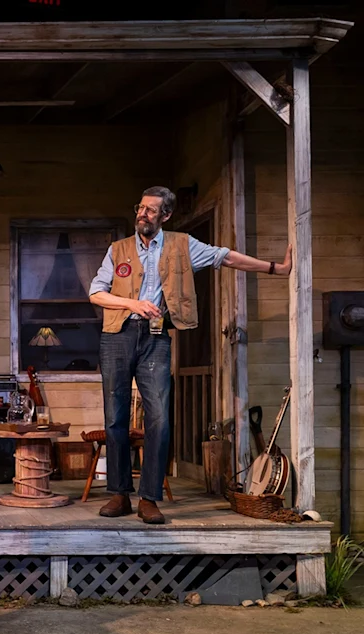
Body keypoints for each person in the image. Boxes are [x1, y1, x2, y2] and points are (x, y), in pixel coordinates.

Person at [88, 185, 292, 524]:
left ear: (165, 215)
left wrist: (275, 269)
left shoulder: (183, 246)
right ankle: (119, 494)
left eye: (151, 210)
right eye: (140, 208)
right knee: (115, 418)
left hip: (156, 338)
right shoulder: (118, 249)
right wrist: (132, 303)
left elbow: (227, 257)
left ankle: (149, 498)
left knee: (159, 419)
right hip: (117, 337)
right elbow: (96, 292)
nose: (143, 214)